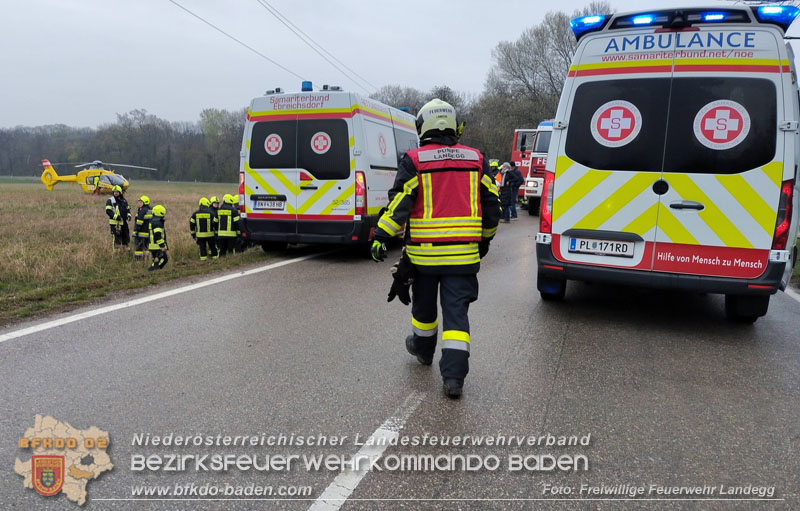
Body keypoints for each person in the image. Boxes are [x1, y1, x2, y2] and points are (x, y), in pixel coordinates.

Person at [370, 98, 501, 399]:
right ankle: (453, 379)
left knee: (424, 309)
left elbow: (399, 203)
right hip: (463, 257)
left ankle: (424, 351)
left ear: (423, 127)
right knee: (456, 317)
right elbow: (492, 205)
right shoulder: (476, 159)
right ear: (455, 126)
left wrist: (380, 236)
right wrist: (484, 240)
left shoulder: (415, 161)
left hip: (424, 257)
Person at [148, 205, 168, 271]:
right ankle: (154, 269)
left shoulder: (153, 220)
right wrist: (162, 246)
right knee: (164, 259)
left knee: (157, 260)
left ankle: (155, 270)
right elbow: (157, 236)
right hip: (157, 246)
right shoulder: (157, 222)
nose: (164, 216)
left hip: (152, 245)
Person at [132, 195, 152, 261]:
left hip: (141, 234)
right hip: (148, 233)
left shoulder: (142, 211)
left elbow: (139, 222)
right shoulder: (151, 210)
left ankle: (138, 261)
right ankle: (146, 260)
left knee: (138, 248)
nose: (139, 203)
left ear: (145, 203)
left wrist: (136, 231)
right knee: (146, 248)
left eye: (141, 202)